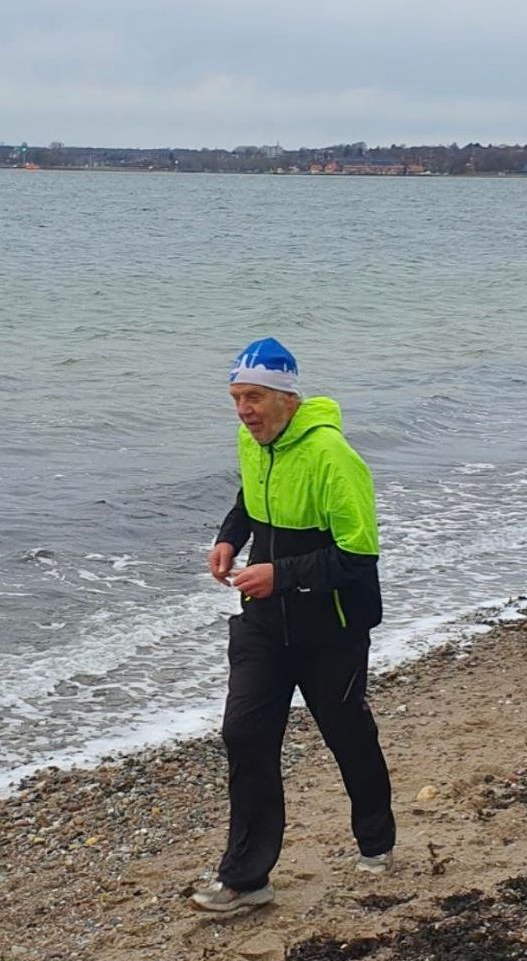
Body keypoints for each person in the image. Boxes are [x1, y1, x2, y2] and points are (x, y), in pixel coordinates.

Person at [191, 337, 396, 917]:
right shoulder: (253, 442)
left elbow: (359, 554)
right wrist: (229, 537)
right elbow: (250, 497)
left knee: (346, 734)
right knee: (245, 736)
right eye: (236, 398)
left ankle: (376, 841)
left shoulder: (333, 456)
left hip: (332, 626)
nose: (243, 411)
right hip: (263, 624)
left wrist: (279, 575)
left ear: (287, 398)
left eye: (254, 398)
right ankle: (246, 877)